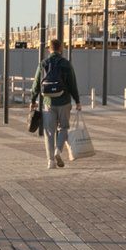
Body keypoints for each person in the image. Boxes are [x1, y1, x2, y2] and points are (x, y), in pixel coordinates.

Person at [30, 38, 81, 169]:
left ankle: (50, 161)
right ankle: (59, 150)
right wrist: (77, 101)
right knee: (63, 128)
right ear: (61, 49)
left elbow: (36, 83)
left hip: (48, 102)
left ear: (49, 49)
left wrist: (32, 100)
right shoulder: (66, 64)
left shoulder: (43, 63)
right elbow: (72, 84)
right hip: (64, 101)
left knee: (49, 132)